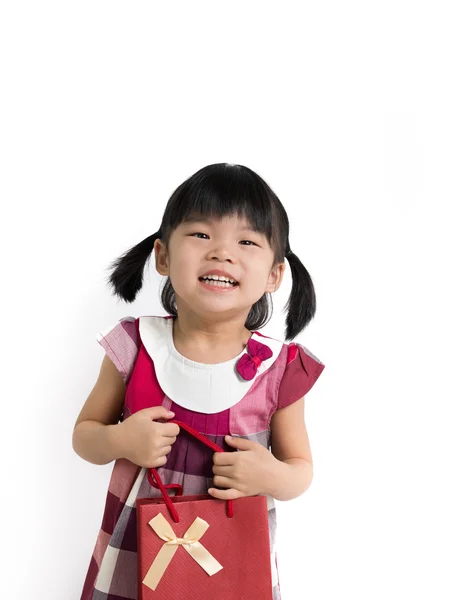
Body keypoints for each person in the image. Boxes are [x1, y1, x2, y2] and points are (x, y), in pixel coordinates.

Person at [72, 163, 326, 600]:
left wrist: (270, 475)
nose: (222, 253)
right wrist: (121, 441)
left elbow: (300, 470)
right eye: (202, 235)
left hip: (233, 560)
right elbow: (84, 437)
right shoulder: (134, 347)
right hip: (136, 556)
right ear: (163, 256)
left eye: (246, 241)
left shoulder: (279, 369)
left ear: (273, 274)